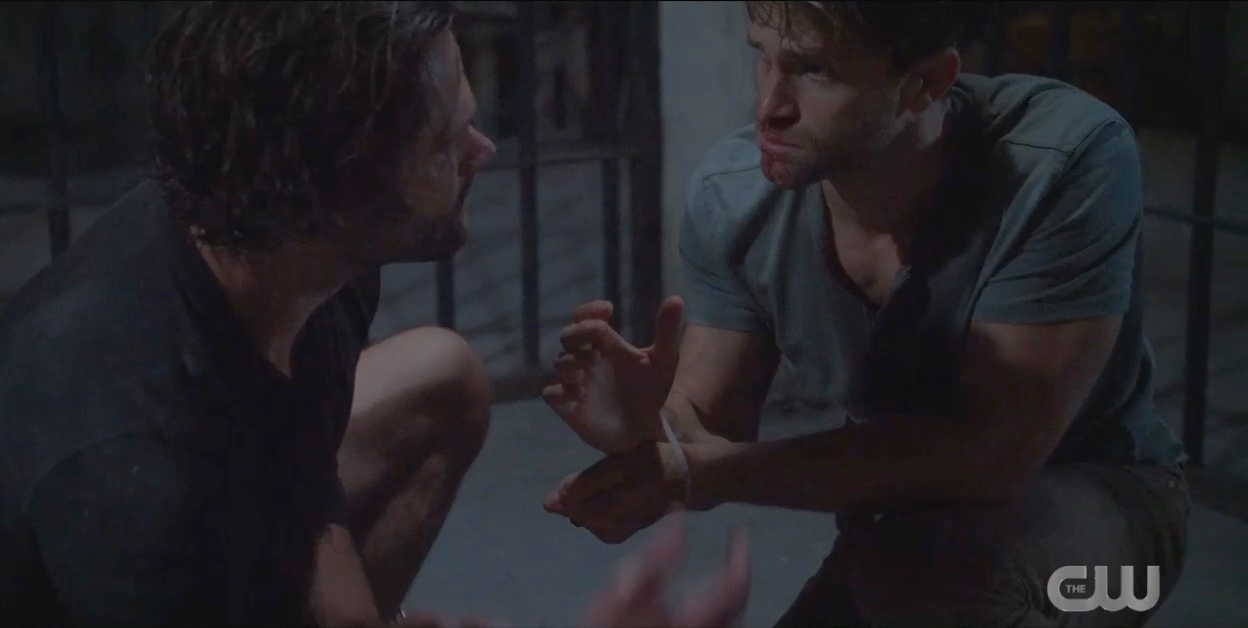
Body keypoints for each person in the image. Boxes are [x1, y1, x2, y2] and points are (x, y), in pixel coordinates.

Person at [0, 2, 750, 626]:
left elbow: (305, 461)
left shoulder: (294, 246)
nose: (483, 150)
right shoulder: (135, 478)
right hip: (127, 557)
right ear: (340, 186)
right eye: (445, 142)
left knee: (442, 379)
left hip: (209, 494)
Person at [543, 2, 1190, 627]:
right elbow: (710, 420)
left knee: (928, 573)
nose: (768, 107)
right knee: (910, 567)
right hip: (899, 526)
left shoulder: (1059, 158)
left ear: (925, 82)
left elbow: (993, 453)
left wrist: (699, 476)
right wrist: (645, 424)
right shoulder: (735, 197)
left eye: (814, 70)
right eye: (763, 58)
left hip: (1103, 506)